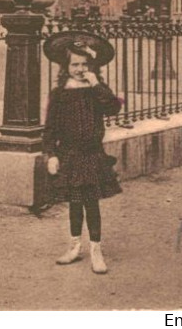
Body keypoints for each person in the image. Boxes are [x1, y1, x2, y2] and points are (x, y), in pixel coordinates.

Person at [42, 31, 122, 275]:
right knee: (75, 203)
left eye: (84, 64)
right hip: (69, 154)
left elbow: (113, 108)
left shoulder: (96, 90)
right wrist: (51, 155)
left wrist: (96, 84)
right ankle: (75, 245)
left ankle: (96, 249)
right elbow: (50, 129)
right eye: (74, 64)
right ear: (66, 67)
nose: (79, 68)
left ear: (92, 66)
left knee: (91, 202)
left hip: (91, 154)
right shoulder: (60, 94)